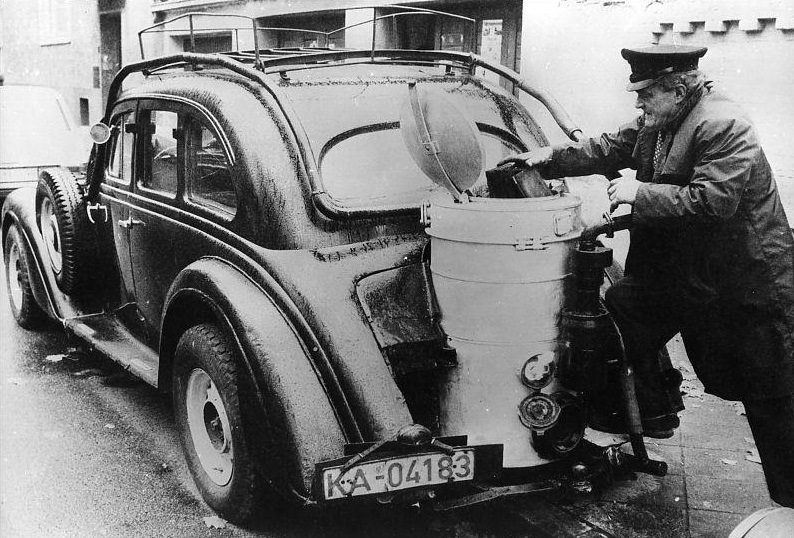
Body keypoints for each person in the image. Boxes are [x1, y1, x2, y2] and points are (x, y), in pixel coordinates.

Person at [499, 44, 794, 507]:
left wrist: (640, 193)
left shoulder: (723, 124)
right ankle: (653, 412)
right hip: (690, 272)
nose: (637, 103)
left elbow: (713, 203)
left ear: (678, 88)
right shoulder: (659, 120)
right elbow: (606, 148)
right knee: (623, 306)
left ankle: (791, 499)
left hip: (747, 281)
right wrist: (546, 158)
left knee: (770, 391)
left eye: (645, 94)